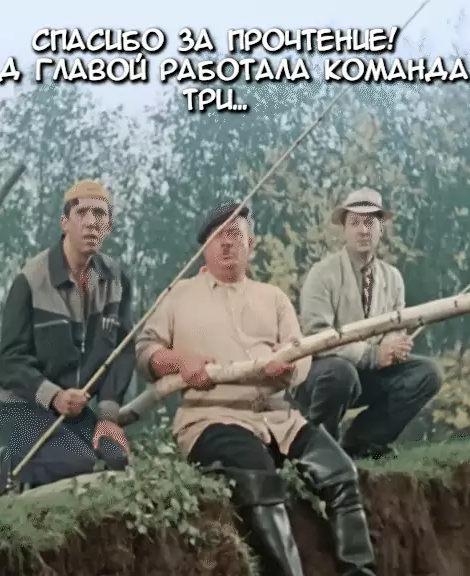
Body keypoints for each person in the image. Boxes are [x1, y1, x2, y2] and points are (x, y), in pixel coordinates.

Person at [135, 203, 377, 576]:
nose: (226, 244)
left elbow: (300, 356)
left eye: (235, 235)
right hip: (211, 418)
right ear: (204, 248)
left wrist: (285, 370)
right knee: (259, 476)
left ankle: (360, 570)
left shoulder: (273, 297)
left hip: (280, 419)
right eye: (217, 237)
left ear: (251, 244)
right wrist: (179, 362)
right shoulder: (178, 295)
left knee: (340, 470)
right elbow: (145, 352)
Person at [0, 179, 134, 495]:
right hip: (25, 406)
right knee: (79, 465)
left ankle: (33, 471)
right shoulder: (30, 280)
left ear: (109, 226)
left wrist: (108, 416)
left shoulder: (116, 279)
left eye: (100, 214)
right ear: (65, 222)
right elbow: (9, 362)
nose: (91, 222)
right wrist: (54, 396)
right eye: (82, 213)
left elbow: (124, 351)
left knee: (117, 462)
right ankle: (12, 465)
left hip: (77, 411)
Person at [296, 187, 443, 459]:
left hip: (370, 374)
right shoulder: (322, 274)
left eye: (370, 223)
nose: (363, 231)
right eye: (355, 223)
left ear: (381, 229)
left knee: (427, 373)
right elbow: (317, 338)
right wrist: (373, 355)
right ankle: (319, 449)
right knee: (341, 373)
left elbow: (397, 325)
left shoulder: (393, 278)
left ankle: (363, 441)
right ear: (344, 229)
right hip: (324, 374)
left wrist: (395, 347)